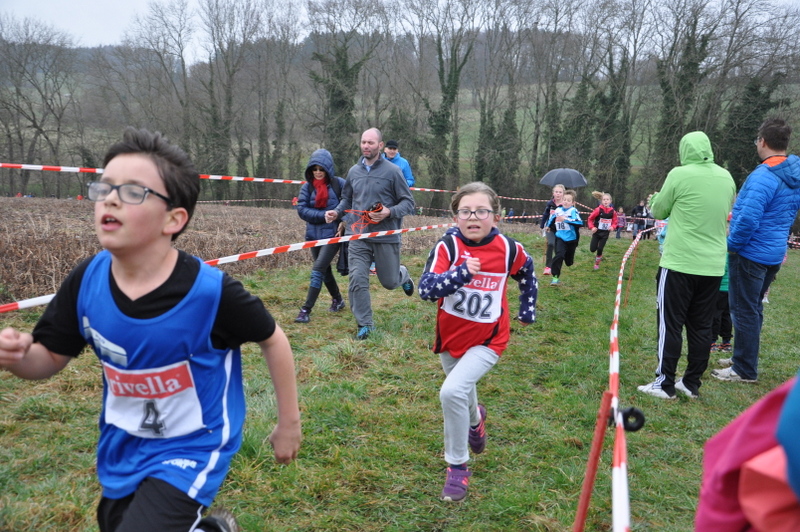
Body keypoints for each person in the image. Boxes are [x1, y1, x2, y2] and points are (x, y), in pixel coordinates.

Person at [0, 128, 302, 532]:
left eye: (132, 192)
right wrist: (19, 357)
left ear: (173, 219)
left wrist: (288, 423)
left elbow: (273, 338)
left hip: (194, 445)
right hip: (123, 445)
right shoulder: (86, 281)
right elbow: (50, 356)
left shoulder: (211, 294)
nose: (110, 199)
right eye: (105, 187)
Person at [418, 181, 537, 502]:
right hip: (451, 338)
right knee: (461, 388)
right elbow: (426, 288)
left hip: (489, 339)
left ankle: (457, 467)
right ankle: (476, 420)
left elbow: (527, 272)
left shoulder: (508, 248)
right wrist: (459, 274)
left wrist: (528, 308)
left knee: (452, 391)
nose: (473, 217)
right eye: (465, 211)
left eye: (481, 211)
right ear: (455, 217)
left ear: (496, 217)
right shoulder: (448, 247)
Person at [637, 130, 735, 399]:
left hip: (679, 263)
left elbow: (659, 210)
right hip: (713, 266)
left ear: (684, 151)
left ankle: (664, 384)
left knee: (670, 324)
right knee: (701, 326)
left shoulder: (679, 174)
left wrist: (654, 198)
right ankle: (691, 383)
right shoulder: (727, 177)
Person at [713, 117, 800, 383]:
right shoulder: (793, 173)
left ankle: (744, 369)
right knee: (753, 308)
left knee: (743, 310)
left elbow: (748, 219)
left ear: (762, 141)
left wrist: (732, 245)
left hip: (751, 253)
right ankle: (743, 356)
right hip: (773, 252)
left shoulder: (764, 175)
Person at [325, 127, 416, 340]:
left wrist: (388, 212)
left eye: (371, 143)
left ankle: (402, 274)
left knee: (389, 282)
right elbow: (347, 199)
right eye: (363, 142)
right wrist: (337, 212)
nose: (366, 146)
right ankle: (365, 325)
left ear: (380, 146)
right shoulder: (353, 171)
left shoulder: (393, 172)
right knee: (357, 279)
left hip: (386, 235)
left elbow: (408, 202)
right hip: (358, 235)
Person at [294, 149, 347, 323]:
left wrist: (343, 220)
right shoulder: (307, 187)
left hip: (333, 235)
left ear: (328, 169)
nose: (317, 172)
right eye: (314, 169)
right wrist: (322, 216)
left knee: (317, 270)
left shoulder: (339, 184)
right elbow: (302, 210)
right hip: (313, 236)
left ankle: (305, 310)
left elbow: (351, 203)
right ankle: (338, 300)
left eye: (321, 169)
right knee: (325, 271)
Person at [545, 189, 582, 286]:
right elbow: (552, 218)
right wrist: (548, 226)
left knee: (569, 262)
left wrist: (565, 219)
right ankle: (555, 278)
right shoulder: (558, 210)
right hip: (560, 237)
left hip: (571, 239)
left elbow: (579, 222)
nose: (566, 202)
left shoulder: (573, 211)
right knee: (559, 255)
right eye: (564, 199)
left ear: (572, 203)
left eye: (568, 200)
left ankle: (568, 258)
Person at [711, 254, 733, 361]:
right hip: (730, 290)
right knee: (727, 315)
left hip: (719, 289)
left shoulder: (721, 252)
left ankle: (712, 342)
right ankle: (726, 342)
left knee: (715, 315)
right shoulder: (732, 253)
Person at [539, 184, 565, 275]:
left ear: (563, 194)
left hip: (561, 230)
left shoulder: (565, 205)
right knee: (550, 244)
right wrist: (542, 225)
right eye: (556, 192)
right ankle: (548, 267)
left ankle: (556, 265)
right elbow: (546, 214)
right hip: (550, 228)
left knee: (558, 249)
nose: (558, 194)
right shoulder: (550, 204)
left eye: (560, 192)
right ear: (553, 193)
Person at [587, 192, 617, 270]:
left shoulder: (613, 212)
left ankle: (597, 263)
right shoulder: (598, 210)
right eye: (604, 199)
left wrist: (613, 227)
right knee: (592, 249)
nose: (605, 201)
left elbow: (615, 222)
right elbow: (590, 219)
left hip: (605, 233)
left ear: (610, 201)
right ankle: (596, 250)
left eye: (607, 199)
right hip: (597, 232)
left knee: (600, 249)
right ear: (601, 201)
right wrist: (592, 227)